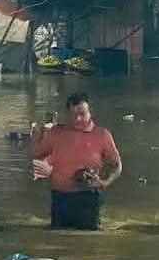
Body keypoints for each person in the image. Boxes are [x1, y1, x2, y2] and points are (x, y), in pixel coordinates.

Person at [31, 93, 122, 230]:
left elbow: (117, 166)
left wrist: (105, 182)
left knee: (88, 238)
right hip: (60, 197)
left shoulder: (102, 135)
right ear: (67, 114)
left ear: (90, 112)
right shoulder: (55, 133)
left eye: (82, 114)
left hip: (89, 197)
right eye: (73, 115)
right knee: (57, 236)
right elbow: (36, 155)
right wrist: (37, 136)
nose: (78, 119)